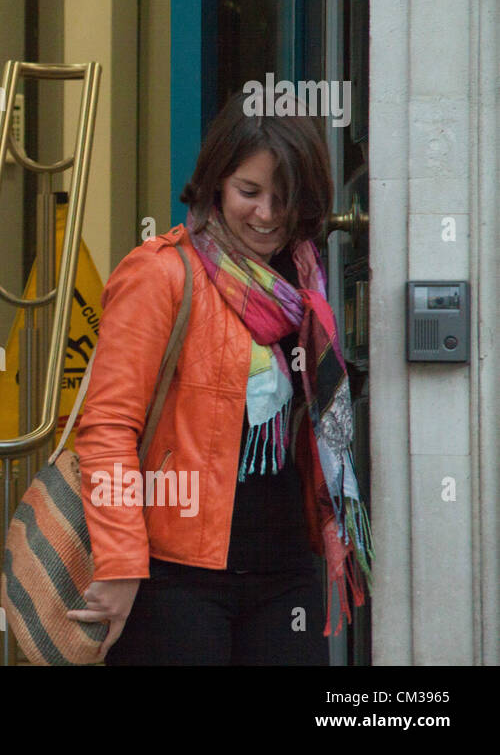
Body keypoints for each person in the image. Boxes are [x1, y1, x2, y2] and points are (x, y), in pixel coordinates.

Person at [66, 92, 373, 665]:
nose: (266, 214)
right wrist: (119, 564)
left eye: (283, 198)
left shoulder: (305, 283)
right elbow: (106, 428)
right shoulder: (160, 274)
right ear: (215, 185)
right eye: (249, 192)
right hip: (174, 578)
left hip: (285, 571)